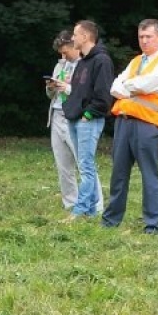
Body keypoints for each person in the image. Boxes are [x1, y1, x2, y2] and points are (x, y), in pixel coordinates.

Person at [101, 19, 158, 234]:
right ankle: (111, 220)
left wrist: (127, 86)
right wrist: (130, 87)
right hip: (124, 122)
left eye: (149, 37)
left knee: (149, 174)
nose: (144, 41)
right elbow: (114, 86)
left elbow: (146, 84)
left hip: (147, 124)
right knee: (118, 173)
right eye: (141, 37)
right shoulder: (137, 61)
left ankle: (152, 224)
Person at [60, 19, 113, 219]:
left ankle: (80, 209)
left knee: (86, 166)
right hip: (75, 119)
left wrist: (88, 115)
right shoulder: (82, 62)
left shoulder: (102, 61)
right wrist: (68, 106)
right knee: (84, 165)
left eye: (75, 34)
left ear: (85, 36)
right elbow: (77, 92)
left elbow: (103, 95)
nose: (72, 38)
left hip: (88, 120)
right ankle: (90, 211)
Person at [45, 29, 80, 211]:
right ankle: (70, 203)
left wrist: (66, 86)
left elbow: (85, 93)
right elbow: (51, 95)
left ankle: (94, 203)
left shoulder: (85, 65)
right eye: (60, 53)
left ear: (74, 45)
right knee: (63, 164)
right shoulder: (60, 65)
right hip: (57, 114)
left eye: (65, 51)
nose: (63, 55)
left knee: (83, 163)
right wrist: (51, 87)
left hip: (75, 117)